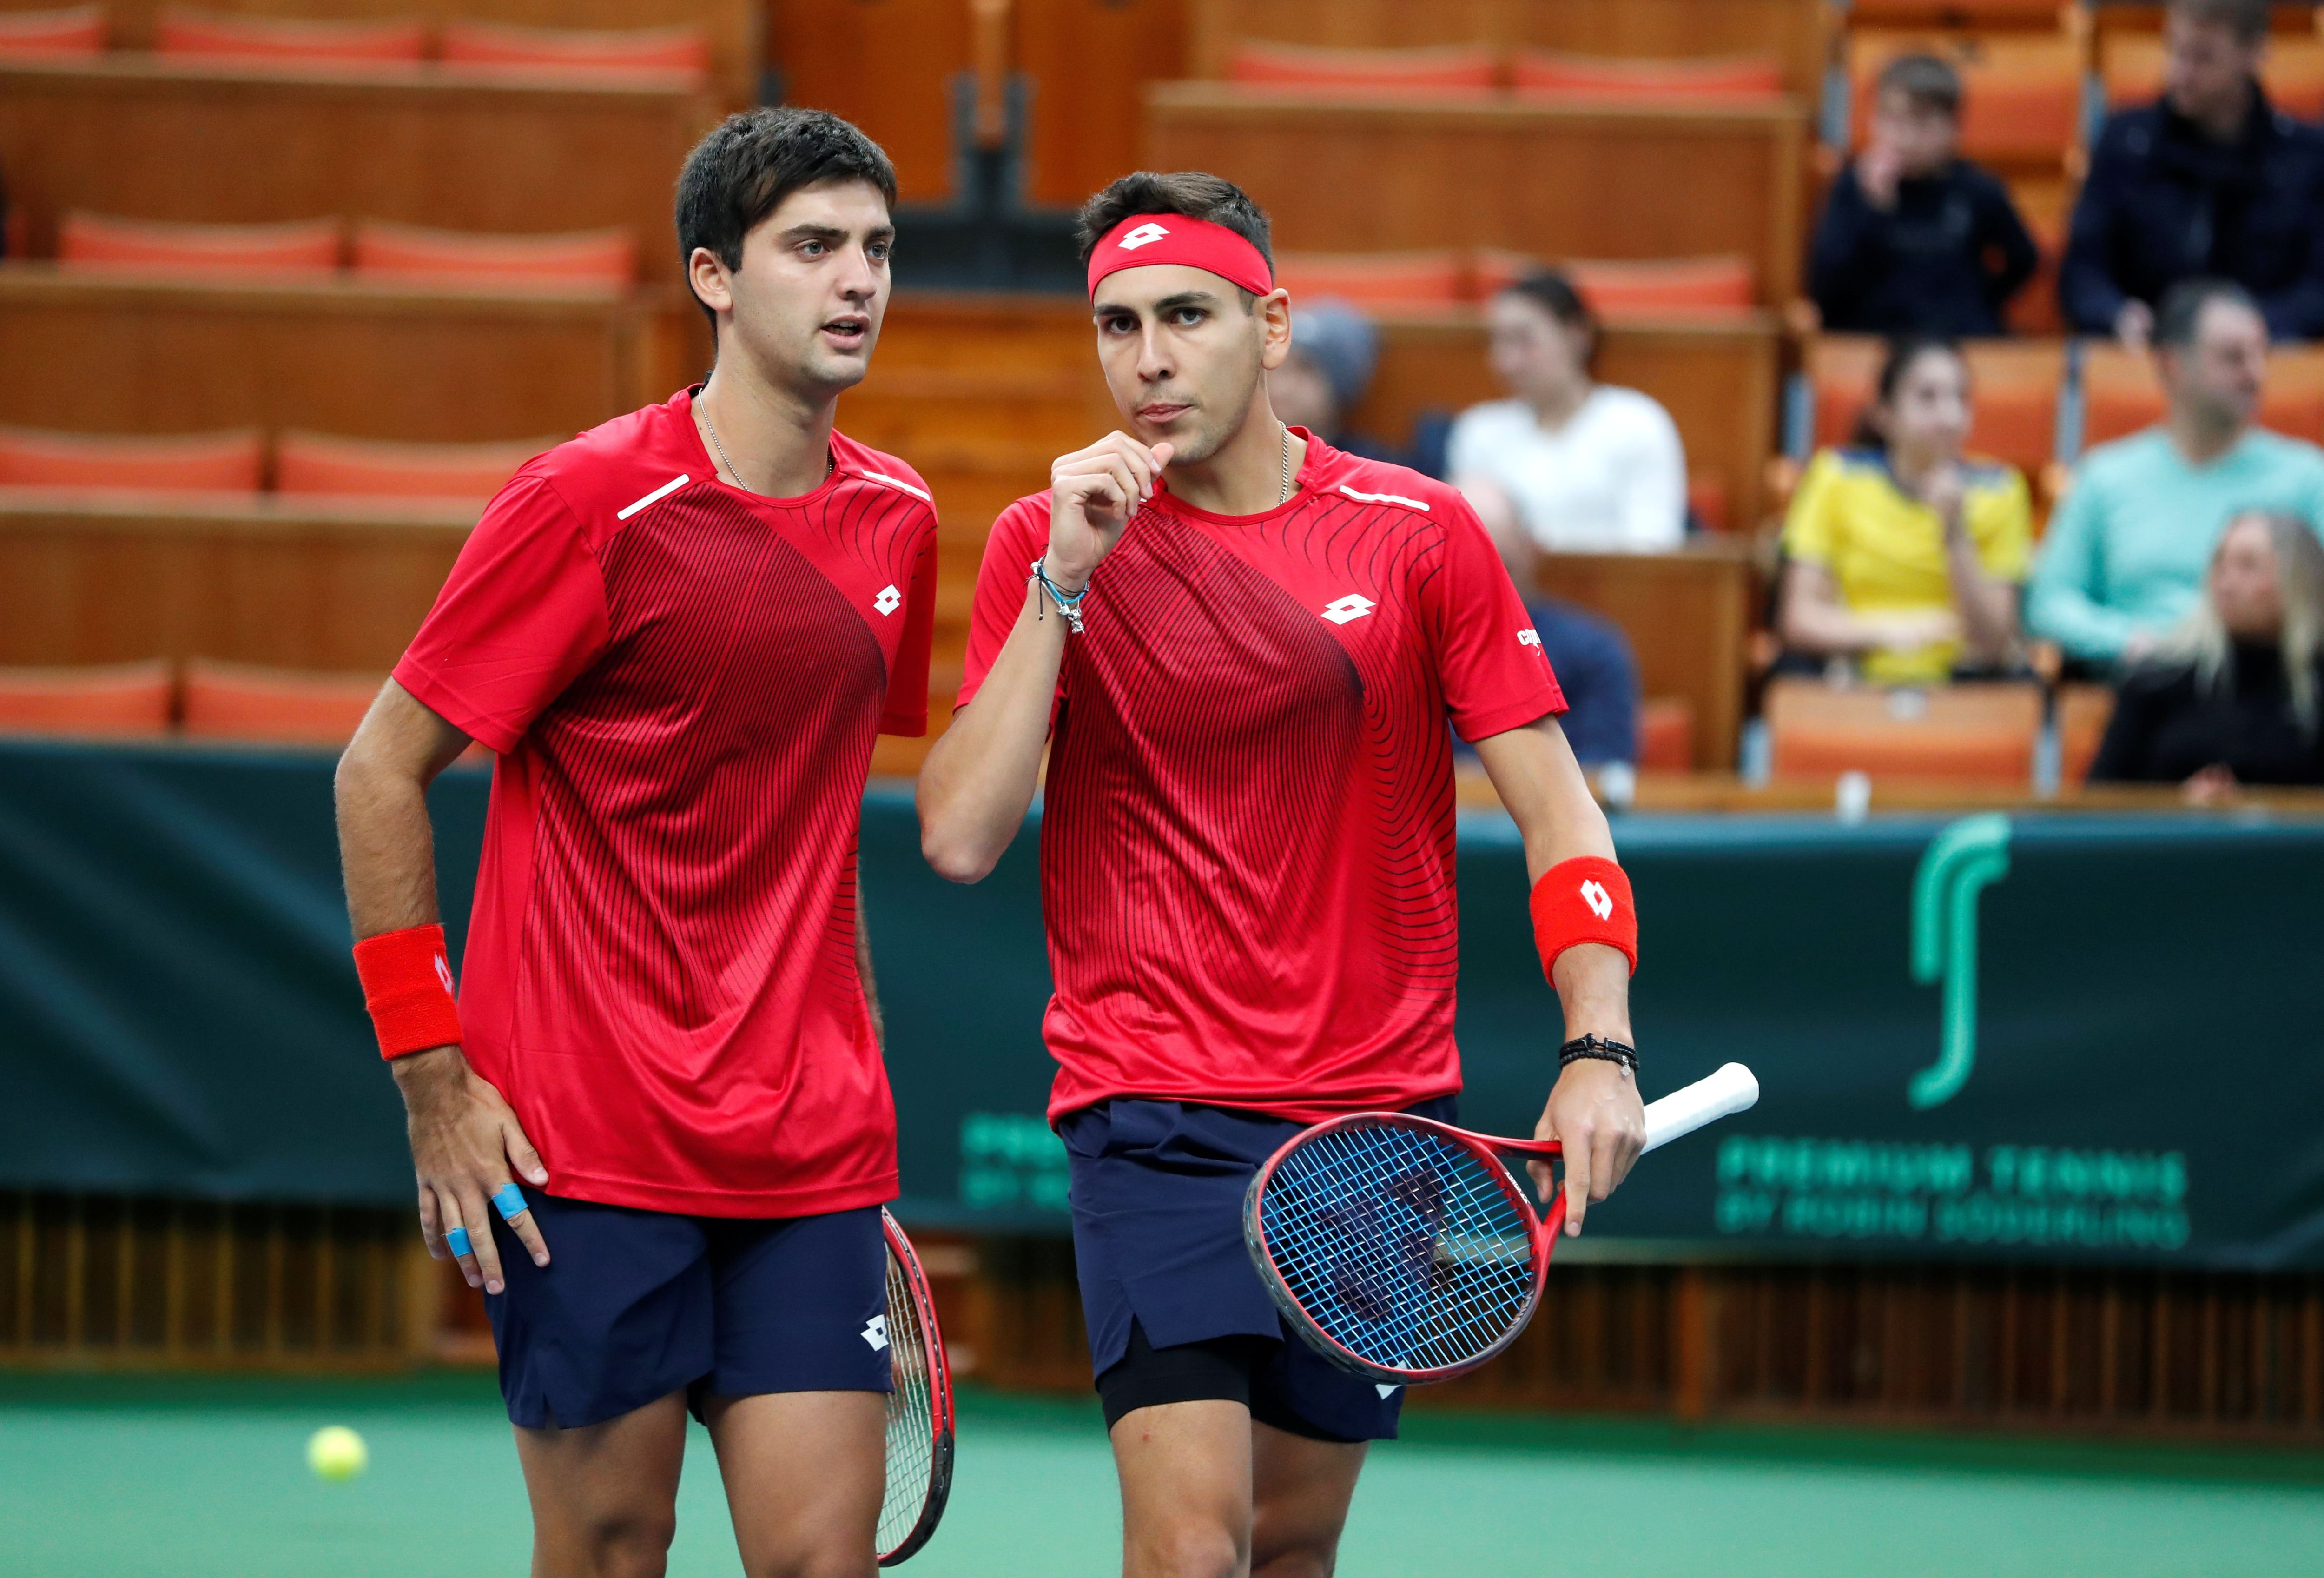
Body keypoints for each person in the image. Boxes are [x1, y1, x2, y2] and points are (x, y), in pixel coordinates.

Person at [916, 172, 1647, 1578]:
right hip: (1156, 1116)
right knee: (1192, 1551)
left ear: (1268, 325)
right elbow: (957, 834)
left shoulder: (1419, 532)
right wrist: (1060, 585)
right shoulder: (1043, 538)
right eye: (1117, 326)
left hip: (1377, 1134)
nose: (1148, 358)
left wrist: (1597, 1044)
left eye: (1184, 316)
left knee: (1292, 1547)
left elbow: (1561, 815)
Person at [332, 108, 937, 1577]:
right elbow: (377, 771)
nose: (855, 280)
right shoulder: (589, 500)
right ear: (714, 277)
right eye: (812, 248)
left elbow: (821, 816)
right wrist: (433, 1079)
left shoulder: (900, 518)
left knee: (821, 1563)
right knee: (611, 1549)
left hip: (806, 1150)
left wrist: (856, 1068)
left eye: (874, 249)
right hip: (587, 1141)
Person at [2030, 278, 2324, 666]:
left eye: (2260, 356)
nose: (2255, 374)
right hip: (2141, 696)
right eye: (2233, 358)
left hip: (2269, 694)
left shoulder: (2306, 475)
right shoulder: (2106, 476)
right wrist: (2129, 643)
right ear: (2172, 365)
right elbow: (2049, 604)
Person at [2061, 0, 2324, 346]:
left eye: (2202, 57)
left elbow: (2317, 289)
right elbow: (2082, 271)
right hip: (2148, 360)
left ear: (2254, 53)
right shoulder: (2125, 142)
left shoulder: (2307, 157)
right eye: (2174, 50)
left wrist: (2254, 329)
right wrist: (2117, 315)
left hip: (2269, 363)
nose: (2179, 72)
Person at [1778, 337, 2031, 685]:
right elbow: (1799, 618)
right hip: (1856, 666)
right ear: (1884, 414)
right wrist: (1894, 632)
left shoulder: (2000, 489)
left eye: (1960, 398)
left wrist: (1955, 530)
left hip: (1961, 678)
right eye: (1927, 397)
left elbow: (1994, 644)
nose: (1950, 416)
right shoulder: (1836, 475)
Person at [1447, 270, 1687, 552]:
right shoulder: (1479, 431)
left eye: (1524, 340)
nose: (1508, 362)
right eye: (1499, 341)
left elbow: (1654, 547)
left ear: (1576, 335)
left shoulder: (1638, 423)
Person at [2090, 510, 2324, 796]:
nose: (2226, 580)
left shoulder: (2315, 684)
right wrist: (2177, 809)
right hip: (2166, 839)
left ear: (2298, 582)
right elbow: (2099, 800)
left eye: (2248, 565)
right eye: (2220, 563)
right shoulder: (2158, 678)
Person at [1809, 53, 2039, 338]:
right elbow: (1825, 292)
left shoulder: (1979, 190)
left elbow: (2024, 259)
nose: (1903, 137)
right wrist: (1873, 210)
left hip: (1960, 342)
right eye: (1890, 119)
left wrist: (1981, 302)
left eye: (1920, 122)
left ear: (1953, 127)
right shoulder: (1853, 188)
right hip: (1872, 343)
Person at [1478, 509, 1642, 766]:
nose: (1486, 583)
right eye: (1469, 568)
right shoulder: (1411, 647)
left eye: (1502, 566)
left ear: (1532, 549)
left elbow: (1606, 764)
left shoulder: (1594, 651)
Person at [1263, 296, 1401, 464]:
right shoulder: (1233, 462)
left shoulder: (1367, 468)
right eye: (1275, 366)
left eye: (1305, 369)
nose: (1280, 388)